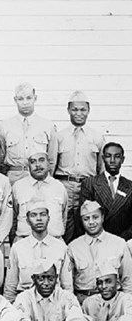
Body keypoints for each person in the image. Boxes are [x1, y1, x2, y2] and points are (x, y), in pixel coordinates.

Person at [52, 91, 105, 242]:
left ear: (88, 111)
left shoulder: (97, 137)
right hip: (65, 186)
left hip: (87, 187)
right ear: (68, 110)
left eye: (83, 110)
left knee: (86, 225)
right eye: (74, 109)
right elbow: (52, 164)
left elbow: (101, 168)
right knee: (64, 225)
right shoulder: (59, 136)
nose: (79, 113)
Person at [4, 196, 72, 302]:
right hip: (25, 303)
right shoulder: (18, 248)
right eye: (34, 215)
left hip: (54, 304)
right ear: (27, 220)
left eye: (43, 214)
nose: (39, 219)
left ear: (49, 218)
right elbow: (10, 288)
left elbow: (67, 288)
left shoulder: (61, 248)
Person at [67, 200, 132, 304]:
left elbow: (128, 280)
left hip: (114, 302)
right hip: (83, 301)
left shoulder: (119, 244)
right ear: (81, 221)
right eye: (86, 219)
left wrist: (127, 305)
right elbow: (68, 284)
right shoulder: (73, 247)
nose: (91, 222)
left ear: (102, 217)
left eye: (95, 217)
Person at [0, 82, 58, 184]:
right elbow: (0, 159)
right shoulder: (5, 126)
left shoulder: (48, 126)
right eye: (20, 99)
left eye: (29, 98)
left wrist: (46, 179)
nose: (25, 103)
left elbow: (52, 160)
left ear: (35, 98)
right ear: (15, 100)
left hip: (39, 179)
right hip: (13, 178)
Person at [79, 142, 132, 240]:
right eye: (108, 156)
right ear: (103, 159)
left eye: (117, 157)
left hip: (122, 241)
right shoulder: (89, 183)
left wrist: (120, 240)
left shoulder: (130, 186)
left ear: (122, 159)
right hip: (95, 240)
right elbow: (84, 216)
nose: (112, 160)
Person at [12, 151, 68, 241]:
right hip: (24, 243)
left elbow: (64, 217)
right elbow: (13, 219)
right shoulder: (18, 187)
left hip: (54, 243)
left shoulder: (59, 187)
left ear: (49, 163)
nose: (37, 165)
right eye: (33, 162)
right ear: (28, 166)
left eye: (41, 160)